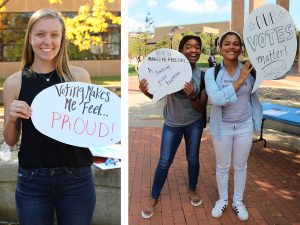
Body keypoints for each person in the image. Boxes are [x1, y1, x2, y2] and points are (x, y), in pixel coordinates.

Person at [3, 9, 96, 225]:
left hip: (76, 178)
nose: (48, 41)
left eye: (54, 34)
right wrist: (11, 119)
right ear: (30, 38)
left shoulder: (79, 77)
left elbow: (90, 127)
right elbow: (10, 140)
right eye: (40, 34)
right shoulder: (14, 82)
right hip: (32, 180)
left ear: (62, 38)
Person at [139, 35, 208, 219]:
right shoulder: (168, 69)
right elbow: (157, 95)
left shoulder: (202, 75)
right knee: (164, 161)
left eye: (197, 47)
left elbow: (201, 108)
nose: (193, 50)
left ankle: (192, 189)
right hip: (171, 123)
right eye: (188, 47)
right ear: (180, 50)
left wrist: (193, 95)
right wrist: (146, 91)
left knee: (192, 159)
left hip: (194, 123)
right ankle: (154, 197)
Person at [204, 31, 262, 221]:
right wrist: (239, 80)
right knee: (222, 166)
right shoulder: (212, 73)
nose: (231, 47)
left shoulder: (250, 69)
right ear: (220, 48)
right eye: (227, 43)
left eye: (236, 44)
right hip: (223, 127)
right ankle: (222, 199)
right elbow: (217, 99)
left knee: (240, 166)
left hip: (244, 125)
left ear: (241, 48)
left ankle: (238, 201)